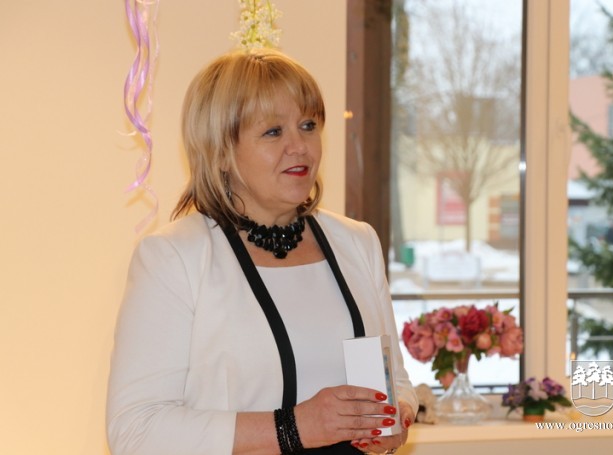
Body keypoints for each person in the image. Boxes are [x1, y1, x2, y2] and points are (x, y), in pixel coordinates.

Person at [106, 48, 418, 455]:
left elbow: (397, 382)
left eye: (308, 125)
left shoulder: (358, 242)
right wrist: (295, 428)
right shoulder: (173, 258)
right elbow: (135, 431)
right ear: (220, 152)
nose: (300, 146)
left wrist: (395, 417)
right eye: (273, 132)